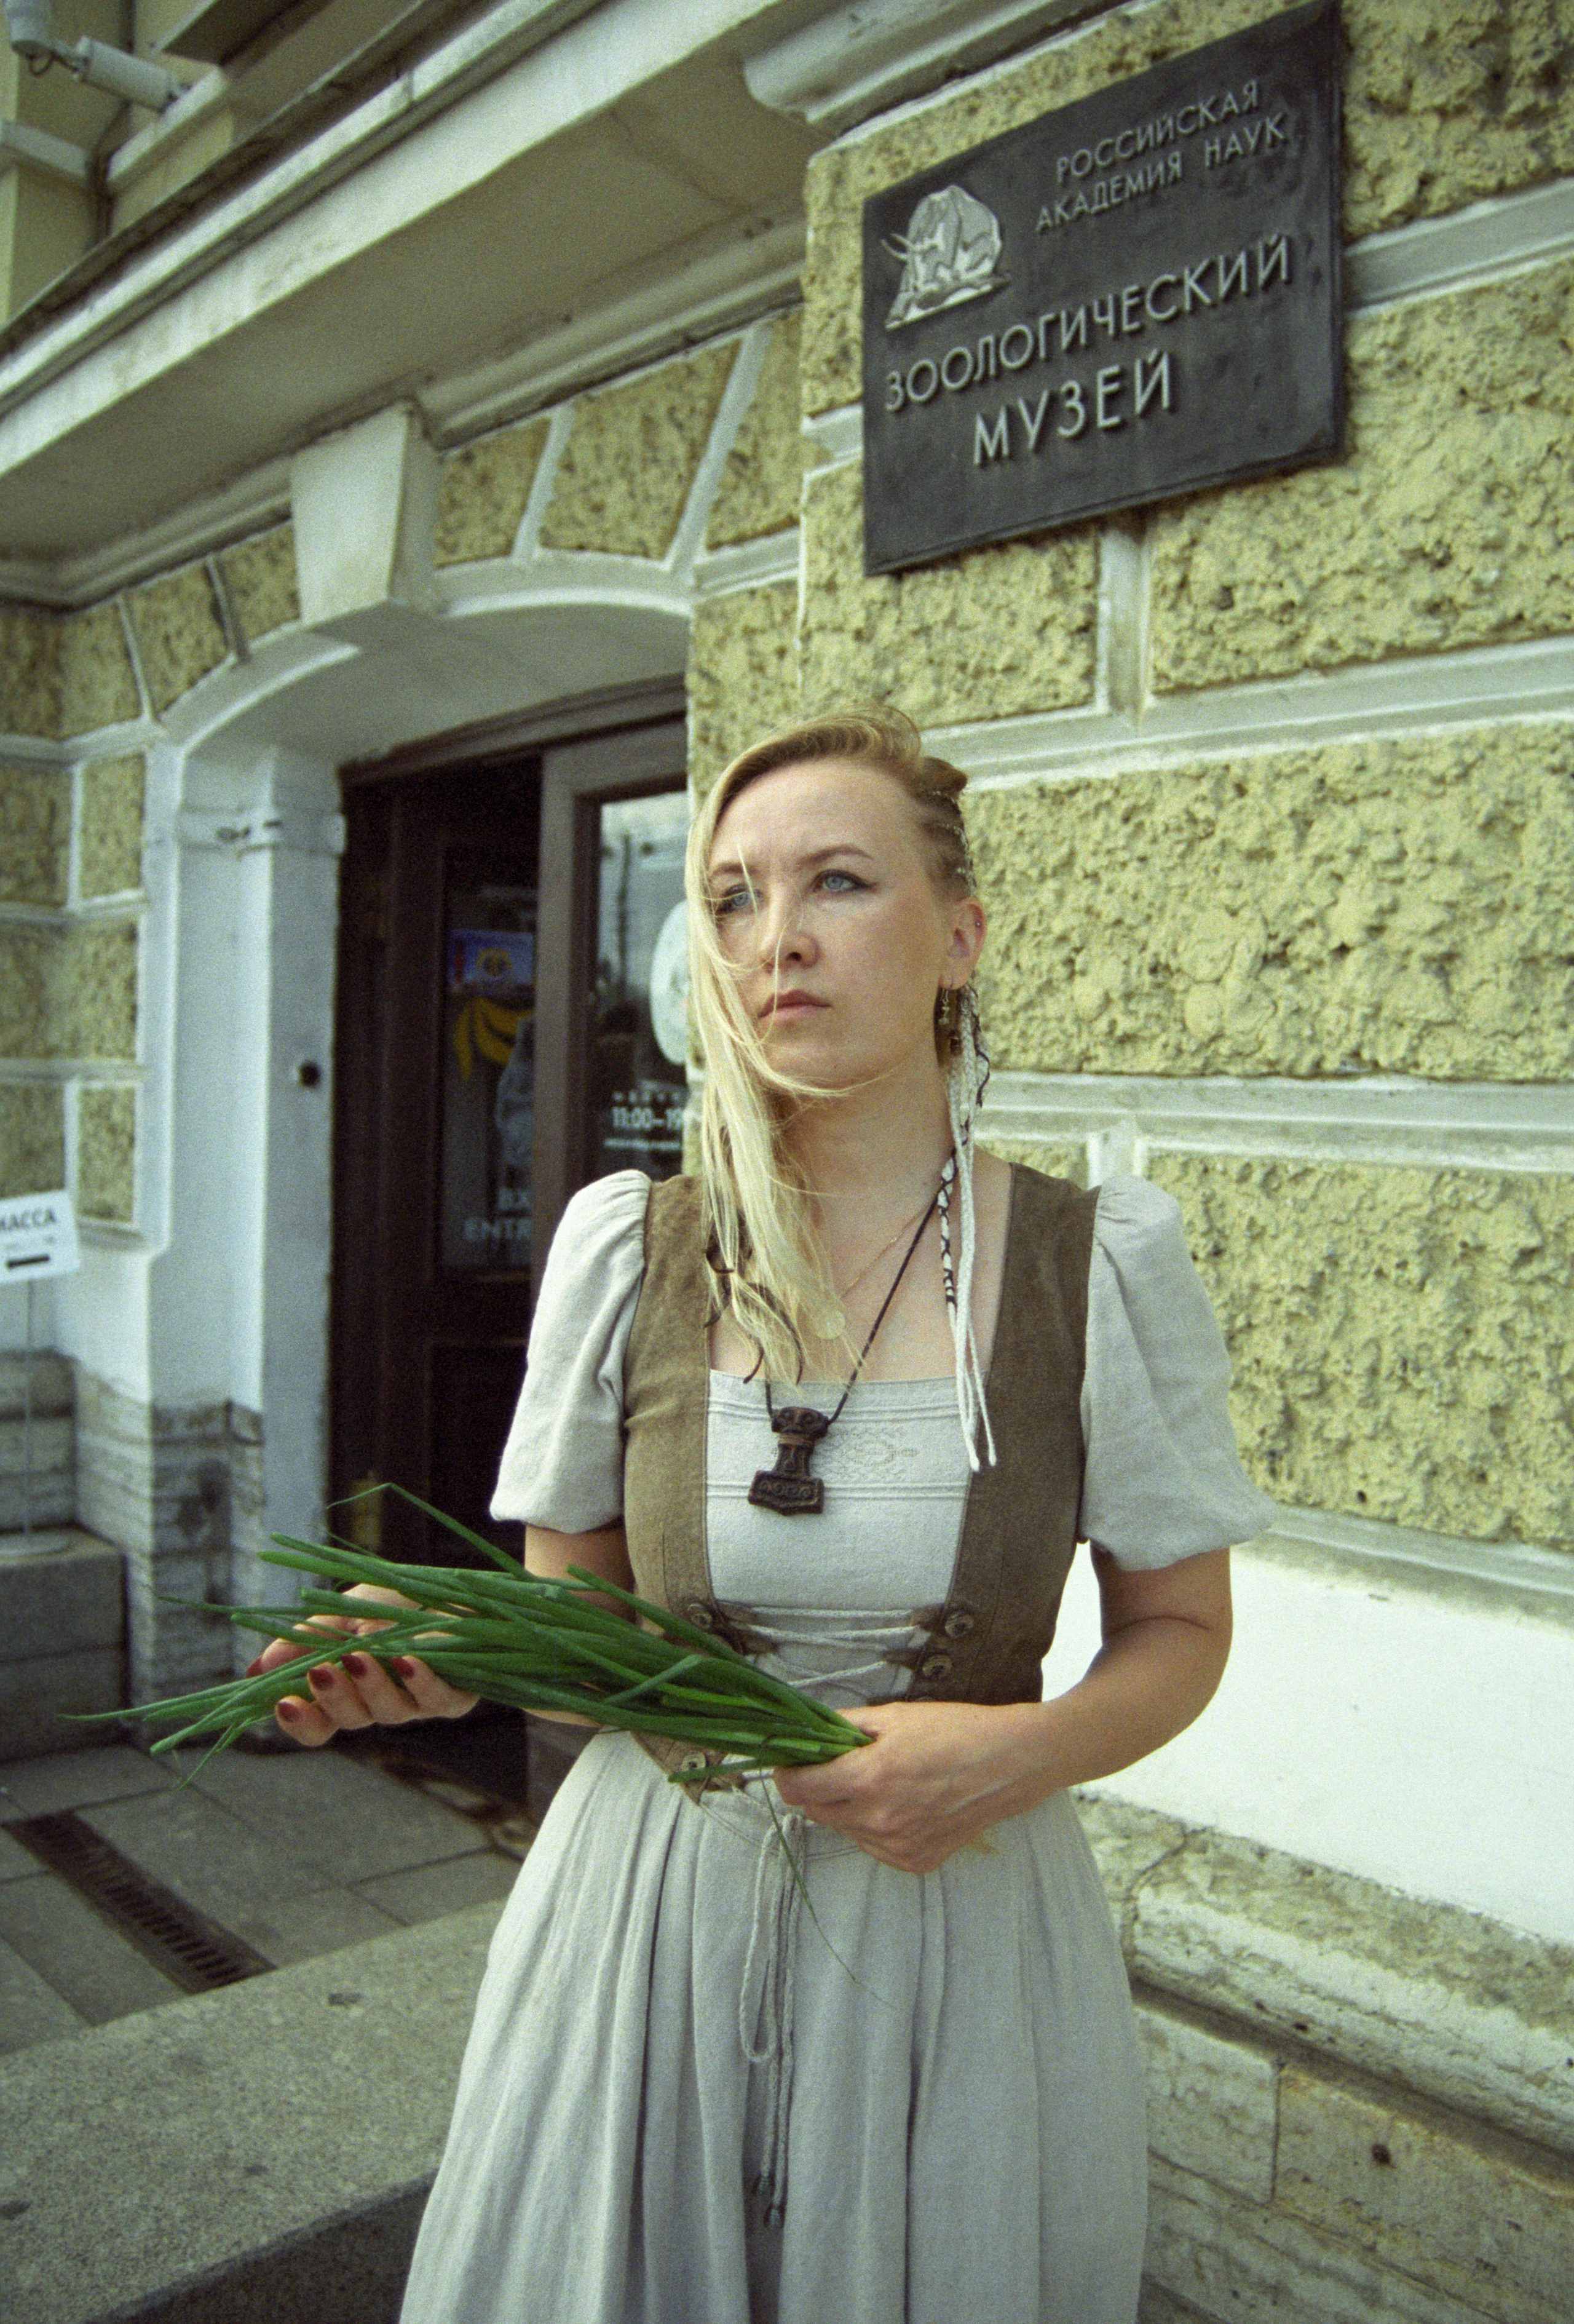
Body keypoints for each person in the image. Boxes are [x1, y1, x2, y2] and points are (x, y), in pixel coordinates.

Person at [256, 708, 1276, 2324]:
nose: (776, 939)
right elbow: (587, 1632)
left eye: (838, 884)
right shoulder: (631, 1248)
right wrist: (459, 1659)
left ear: (960, 936)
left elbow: (1181, 1630)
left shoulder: (1098, 1262)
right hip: (655, 1918)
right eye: (730, 896)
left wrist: (1012, 1749)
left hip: (959, 1937)